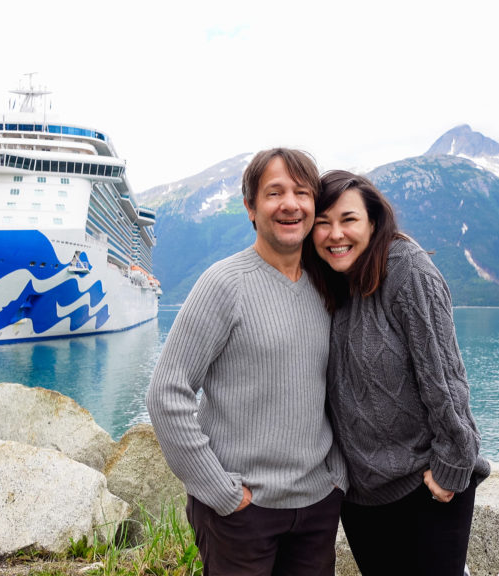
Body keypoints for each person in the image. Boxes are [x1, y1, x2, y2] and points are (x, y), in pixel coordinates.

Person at [147, 148, 348, 576]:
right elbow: (167, 393)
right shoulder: (224, 284)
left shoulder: (327, 285)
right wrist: (220, 491)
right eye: (274, 192)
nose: (290, 204)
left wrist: (336, 477)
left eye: (301, 192)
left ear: (314, 205)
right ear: (251, 208)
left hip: (316, 506)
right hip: (241, 513)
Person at [303, 170, 491, 576]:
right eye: (322, 223)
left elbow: (444, 377)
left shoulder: (407, 271)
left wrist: (453, 466)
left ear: (373, 220)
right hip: (363, 496)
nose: (335, 234)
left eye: (348, 219)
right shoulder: (331, 282)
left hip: (425, 488)